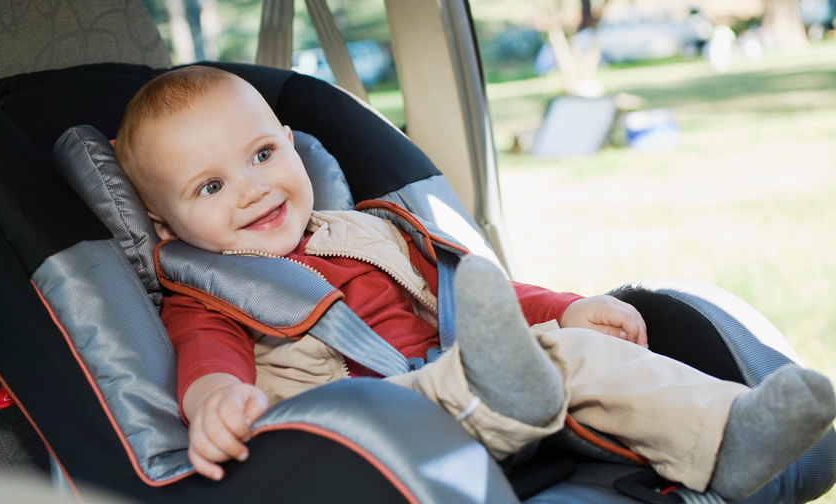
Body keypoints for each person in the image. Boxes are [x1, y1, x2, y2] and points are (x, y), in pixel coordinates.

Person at [113, 66, 835, 499]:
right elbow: (208, 360)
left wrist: (566, 309)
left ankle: (737, 433)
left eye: (263, 153)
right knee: (457, 382)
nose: (252, 189)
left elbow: (477, 295)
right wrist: (214, 399)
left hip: (475, 370)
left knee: (575, 354)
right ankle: (505, 390)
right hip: (365, 427)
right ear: (165, 226)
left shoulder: (374, 230)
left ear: (293, 145)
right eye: (210, 185)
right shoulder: (205, 293)